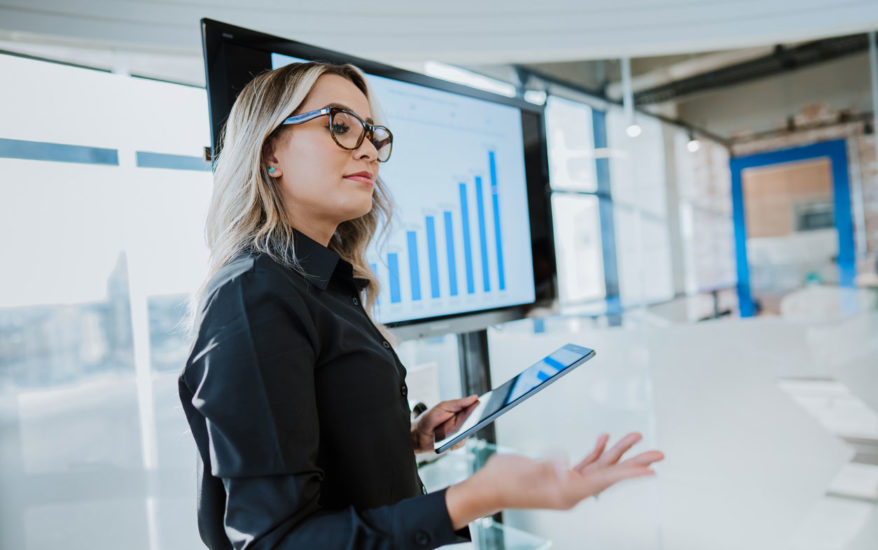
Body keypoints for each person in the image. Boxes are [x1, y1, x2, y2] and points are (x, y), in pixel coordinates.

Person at [178, 61, 664, 550]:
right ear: (269, 153)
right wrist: (475, 496)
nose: (368, 148)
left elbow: (309, 442)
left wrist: (402, 436)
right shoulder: (253, 297)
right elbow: (277, 541)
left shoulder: (324, 285)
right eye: (340, 126)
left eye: (371, 133)